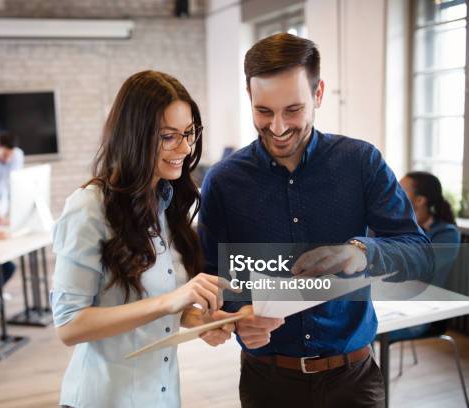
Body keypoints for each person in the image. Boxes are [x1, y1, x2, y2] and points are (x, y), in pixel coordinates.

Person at [199, 33, 433, 407]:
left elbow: (419, 252)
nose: (277, 128)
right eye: (264, 111)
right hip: (267, 382)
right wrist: (233, 318)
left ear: (319, 93)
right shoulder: (224, 182)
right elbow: (213, 279)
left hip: (352, 379)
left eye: (293, 110)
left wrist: (361, 253)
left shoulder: (361, 162)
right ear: (249, 97)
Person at [51, 70, 239, 408]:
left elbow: (156, 303)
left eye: (189, 133)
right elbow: (69, 325)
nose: (184, 147)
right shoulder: (89, 208)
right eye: (169, 137)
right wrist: (172, 302)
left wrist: (196, 320)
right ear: (135, 136)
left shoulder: (168, 205)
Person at [388, 171, 461, 341]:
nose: (393, 193)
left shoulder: (447, 234)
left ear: (420, 200)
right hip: (392, 303)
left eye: (400, 189)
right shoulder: (398, 226)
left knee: (362, 332)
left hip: (422, 314)